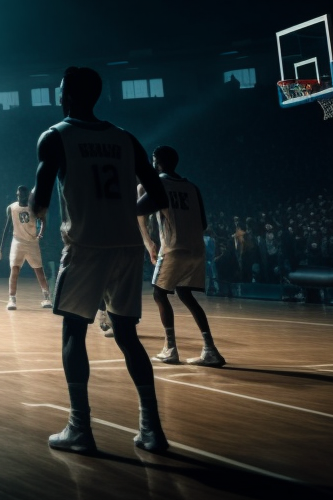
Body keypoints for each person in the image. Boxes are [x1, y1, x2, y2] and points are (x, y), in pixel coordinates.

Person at [30, 66, 170, 454]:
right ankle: (152, 430)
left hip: (86, 246)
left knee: (74, 332)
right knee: (128, 336)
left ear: (69, 95)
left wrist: (36, 210)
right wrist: (127, 210)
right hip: (126, 245)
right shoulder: (126, 138)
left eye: (60, 89)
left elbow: (40, 200)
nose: (58, 95)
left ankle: (80, 428)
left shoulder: (55, 136)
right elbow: (158, 196)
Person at [138, 146, 225, 367]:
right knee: (186, 295)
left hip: (173, 248)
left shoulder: (160, 184)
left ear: (157, 162)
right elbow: (203, 223)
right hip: (196, 249)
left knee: (159, 293)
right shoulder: (192, 187)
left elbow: (137, 209)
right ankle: (210, 350)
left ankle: (170, 349)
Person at [0, 185, 51, 310]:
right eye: (18, 194)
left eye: (22, 194)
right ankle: (12, 299)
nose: (20, 196)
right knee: (14, 269)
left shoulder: (33, 207)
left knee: (39, 270)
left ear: (28, 195)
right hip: (17, 241)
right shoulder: (11, 208)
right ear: (17, 194)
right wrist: (1, 247)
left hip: (32, 242)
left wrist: (41, 234)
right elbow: (7, 227)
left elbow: (43, 220)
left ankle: (46, 298)